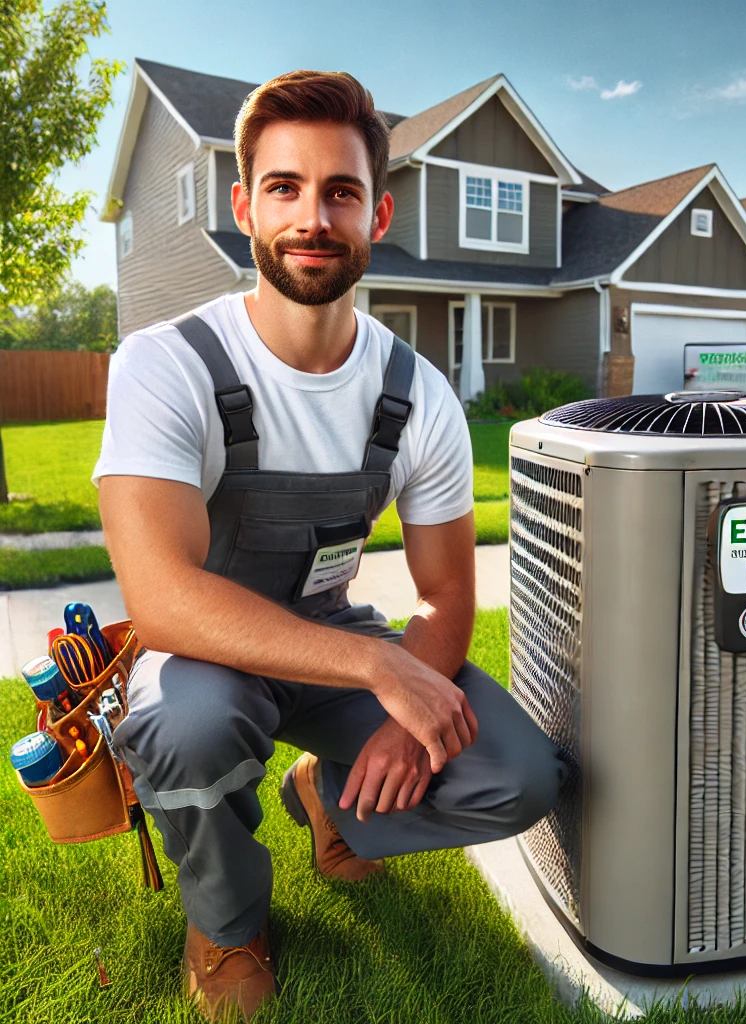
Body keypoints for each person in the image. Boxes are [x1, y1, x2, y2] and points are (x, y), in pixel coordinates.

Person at [94, 69, 565, 1023]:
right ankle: (227, 927)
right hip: (205, 654)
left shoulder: (418, 392)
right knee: (189, 727)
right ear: (244, 206)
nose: (314, 216)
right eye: (285, 187)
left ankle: (329, 800)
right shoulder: (166, 364)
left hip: (331, 643)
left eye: (340, 191)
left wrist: (402, 708)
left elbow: (442, 595)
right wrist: (376, 669)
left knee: (518, 776)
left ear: (377, 213)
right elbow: (161, 599)